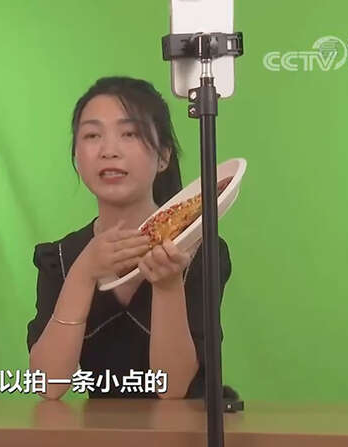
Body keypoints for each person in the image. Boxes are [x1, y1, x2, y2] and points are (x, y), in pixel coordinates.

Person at [27, 76, 232, 400]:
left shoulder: (199, 251)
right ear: (77, 157)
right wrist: (84, 273)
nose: (109, 151)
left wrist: (168, 286)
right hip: (102, 427)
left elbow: (173, 390)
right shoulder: (61, 257)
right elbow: (47, 386)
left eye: (130, 134)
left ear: (163, 156)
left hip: (187, 426)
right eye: (92, 135)